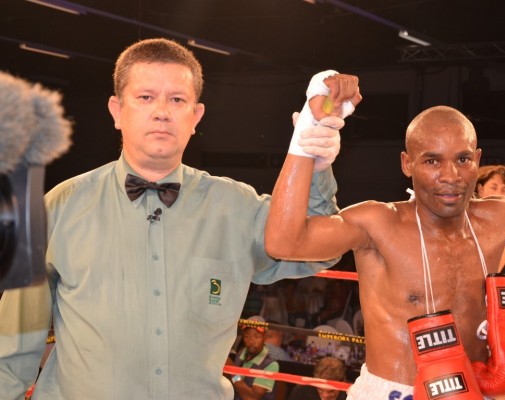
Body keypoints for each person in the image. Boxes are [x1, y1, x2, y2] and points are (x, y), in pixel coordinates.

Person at [0, 38, 359, 399]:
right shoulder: (59, 207)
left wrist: (313, 163)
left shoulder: (236, 207)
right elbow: (12, 347)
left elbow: (318, 250)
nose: (162, 112)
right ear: (117, 111)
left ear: (196, 116)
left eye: (176, 100)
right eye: (145, 97)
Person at [265, 103, 505, 399]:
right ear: (407, 164)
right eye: (432, 161)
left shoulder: (500, 217)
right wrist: (302, 149)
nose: (451, 175)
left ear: (477, 159)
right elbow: (283, 243)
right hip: (393, 391)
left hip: (478, 389)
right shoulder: (378, 223)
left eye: (462, 159)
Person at [476, 164, 505, 279]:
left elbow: (491, 271)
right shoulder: (464, 217)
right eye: (493, 188)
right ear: (480, 189)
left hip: (491, 285)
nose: (499, 194)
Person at [231, 316, 278, 400]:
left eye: (256, 337)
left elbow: (252, 398)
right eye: (247, 336)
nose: (251, 341)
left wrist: (232, 372)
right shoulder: (240, 355)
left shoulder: (271, 365)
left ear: (264, 337)